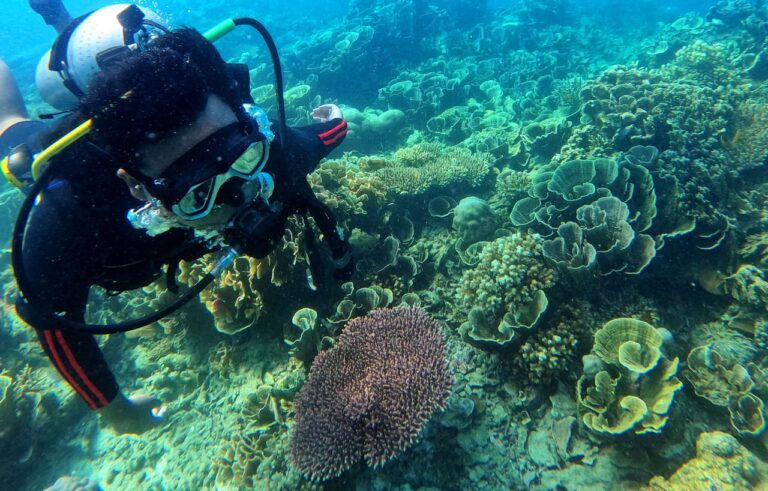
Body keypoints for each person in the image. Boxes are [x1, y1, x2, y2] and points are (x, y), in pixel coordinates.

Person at [1, 2, 352, 434]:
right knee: (10, 128)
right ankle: (60, 24)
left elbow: (326, 133)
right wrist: (115, 409)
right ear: (136, 185)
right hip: (68, 101)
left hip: (127, 62)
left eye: (242, 158)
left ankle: (66, 21)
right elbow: (52, 319)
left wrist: (337, 121)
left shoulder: (270, 149)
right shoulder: (68, 221)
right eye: (199, 192)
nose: (238, 196)